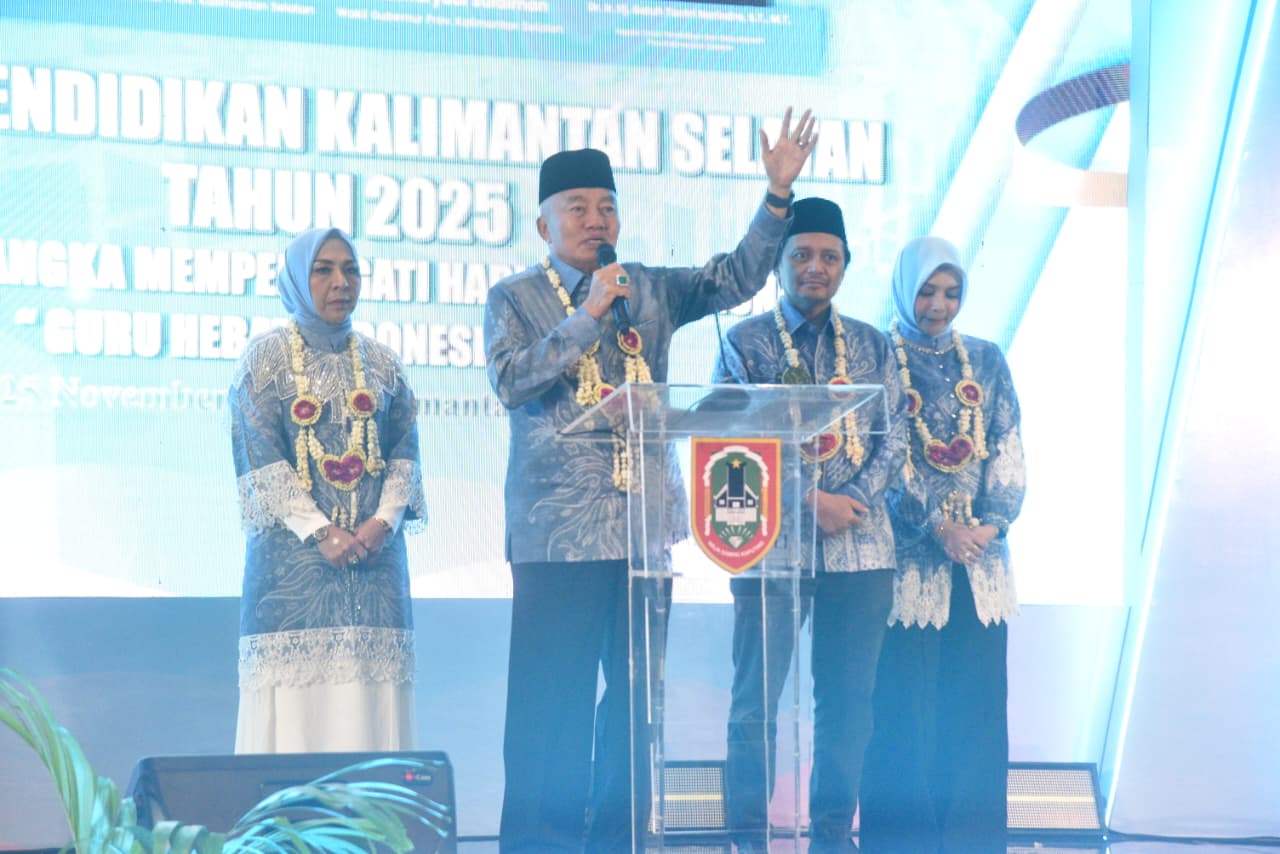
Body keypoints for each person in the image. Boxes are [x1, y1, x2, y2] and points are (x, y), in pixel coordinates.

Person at [484, 108, 817, 854]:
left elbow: (736, 278)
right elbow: (511, 381)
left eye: (606, 206)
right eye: (577, 208)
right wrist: (588, 314)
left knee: (638, 707)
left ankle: (619, 842)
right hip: (557, 541)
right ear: (543, 226)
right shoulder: (514, 298)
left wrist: (776, 196)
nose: (595, 220)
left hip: (642, 534)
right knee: (550, 707)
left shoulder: (651, 289)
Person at [711, 198, 907, 853]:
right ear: (778, 262)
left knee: (848, 706)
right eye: (801, 254)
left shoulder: (874, 346)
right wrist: (808, 500)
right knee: (754, 702)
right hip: (769, 548)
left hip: (861, 550)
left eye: (829, 256)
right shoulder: (744, 343)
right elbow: (730, 441)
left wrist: (850, 500)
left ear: (846, 264)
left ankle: (831, 837)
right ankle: (747, 838)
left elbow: (894, 437)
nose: (815, 267)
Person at [230, 227, 427, 753]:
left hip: (376, 568)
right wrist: (320, 531)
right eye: (324, 270)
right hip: (291, 572)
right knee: (298, 723)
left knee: (372, 712)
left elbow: (405, 451)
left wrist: (382, 522)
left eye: (351, 269)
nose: (342, 282)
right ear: (297, 279)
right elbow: (258, 455)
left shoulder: (384, 364)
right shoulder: (264, 360)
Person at [859, 236, 1026, 853]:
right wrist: (936, 526)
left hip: (980, 564)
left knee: (975, 713)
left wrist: (992, 524)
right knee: (903, 712)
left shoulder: (985, 358)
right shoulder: (877, 356)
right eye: (927, 291)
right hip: (907, 565)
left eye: (952, 292)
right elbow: (882, 456)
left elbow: (1007, 445)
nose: (939, 305)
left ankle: (973, 842)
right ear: (905, 288)